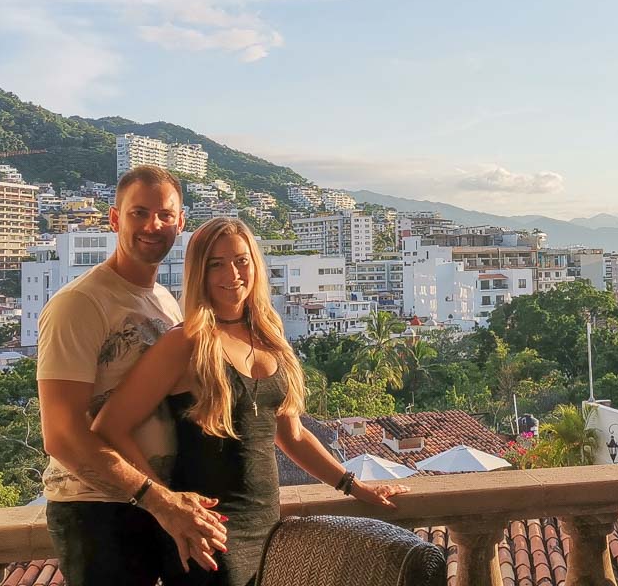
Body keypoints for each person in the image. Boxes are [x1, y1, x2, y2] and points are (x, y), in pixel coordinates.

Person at [93, 217, 408, 586]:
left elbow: (291, 434)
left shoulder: (271, 335)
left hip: (268, 528)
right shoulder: (186, 343)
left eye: (241, 260)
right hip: (209, 534)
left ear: (255, 265)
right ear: (200, 273)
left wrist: (354, 486)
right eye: (216, 264)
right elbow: (109, 427)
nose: (232, 273)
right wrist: (164, 504)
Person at [37, 166, 229, 586]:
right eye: (138, 213)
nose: (152, 225)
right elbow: (62, 433)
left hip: (159, 502)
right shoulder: (80, 303)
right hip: (98, 508)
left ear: (181, 222)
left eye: (164, 215)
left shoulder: (165, 302)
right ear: (114, 218)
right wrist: (156, 499)